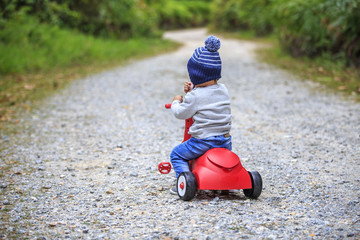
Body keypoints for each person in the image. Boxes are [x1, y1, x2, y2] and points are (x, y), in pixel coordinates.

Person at [169, 35, 232, 194]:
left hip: (204, 141)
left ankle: (184, 180)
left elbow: (181, 113)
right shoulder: (223, 90)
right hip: (225, 140)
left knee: (176, 154)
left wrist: (177, 101)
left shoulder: (194, 97)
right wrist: (193, 91)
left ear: (195, 75)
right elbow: (207, 98)